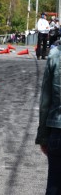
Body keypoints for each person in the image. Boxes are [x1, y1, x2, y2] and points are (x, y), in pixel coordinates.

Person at [35, 44, 61, 194]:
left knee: (54, 185)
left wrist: (43, 136)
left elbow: (45, 100)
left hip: (57, 130)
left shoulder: (54, 55)